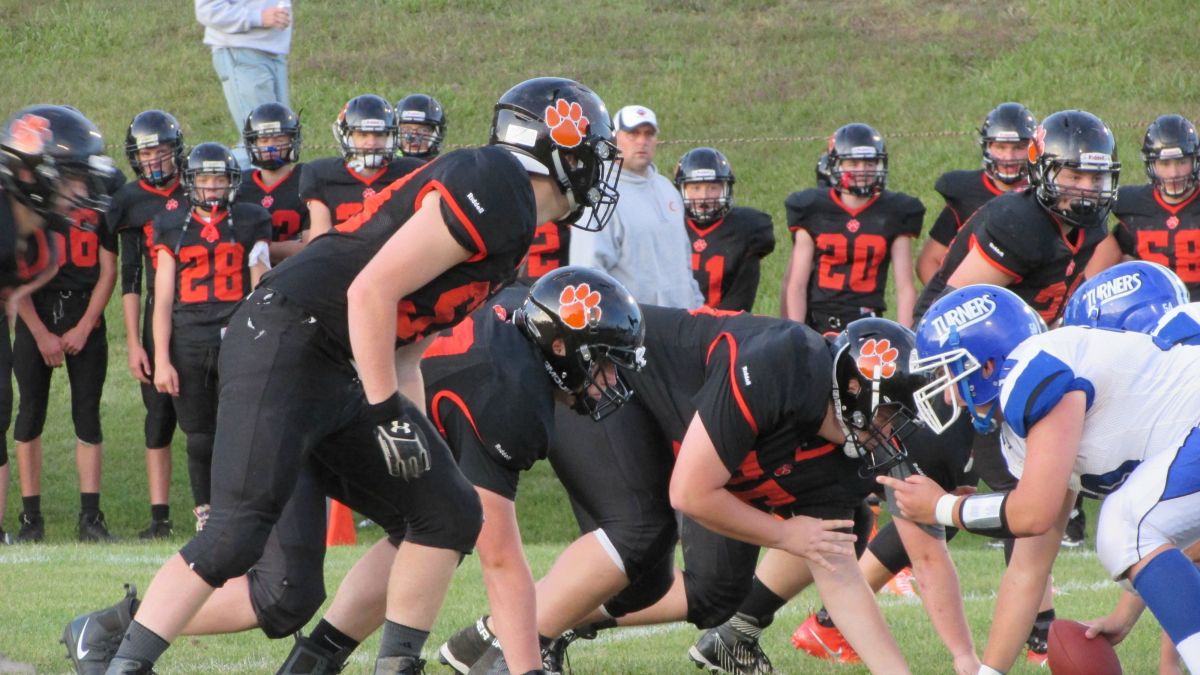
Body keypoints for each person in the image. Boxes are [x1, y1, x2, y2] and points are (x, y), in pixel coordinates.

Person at [68, 76, 620, 675]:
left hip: (334, 360)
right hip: (288, 334)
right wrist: (386, 413)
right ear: (560, 146)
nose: (600, 168)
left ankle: (395, 666)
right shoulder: (499, 184)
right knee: (235, 534)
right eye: (595, 152)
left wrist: (412, 428)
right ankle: (123, 663)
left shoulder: (513, 220)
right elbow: (369, 292)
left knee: (448, 510)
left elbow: (407, 346)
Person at [441, 314, 927, 675]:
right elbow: (691, 492)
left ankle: (492, 633)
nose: (890, 433)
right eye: (889, 414)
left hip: (703, 455)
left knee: (713, 594)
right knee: (639, 531)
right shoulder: (785, 364)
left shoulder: (844, 458)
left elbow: (841, 577)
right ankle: (510, 653)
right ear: (854, 388)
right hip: (617, 383)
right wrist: (787, 536)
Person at [270, 268, 645, 675]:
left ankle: (313, 662)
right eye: (604, 363)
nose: (612, 379)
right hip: (334, 410)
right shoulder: (514, 398)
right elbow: (500, 559)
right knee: (444, 524)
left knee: (428, 522)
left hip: (322, 393)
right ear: (561, 347)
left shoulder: (515, 313)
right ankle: (389, 667)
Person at [884, 281, 1200, 674]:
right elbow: (1027, 569)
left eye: (949, 370)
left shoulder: (1033, 370)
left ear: (986, 366)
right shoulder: (1023, 429)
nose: (949, 395)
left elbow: (1033, 513)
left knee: (1124, 526)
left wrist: (942, 507)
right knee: (1132, 525)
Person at [0, 105, 114, 544]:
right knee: (26, 415)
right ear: (36, 175)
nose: (82, 190)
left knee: (79, 415)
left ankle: (87, 518)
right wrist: (36, 327)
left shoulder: (39, 235)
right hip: (37, 319)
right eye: (72, 178)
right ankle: (29, 519)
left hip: (74, 313)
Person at [152, 142, 272, 531]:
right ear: (191, 182)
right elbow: (163, 299)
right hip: (188, 339)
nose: (212, 186)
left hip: (237, 336)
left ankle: (241, 510)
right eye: (204, 178)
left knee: (243, 429)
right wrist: (162, 360)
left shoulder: (251, 219)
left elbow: (260, 286)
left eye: (219, 178)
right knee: (200, 436)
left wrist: (260, 342)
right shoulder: (171, 224)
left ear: (232, 181)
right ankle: (207, 515)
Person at [109, 109, 187, 539]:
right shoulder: (130, 200)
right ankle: (160, 517)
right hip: (156, 313)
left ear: (176, 151)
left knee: (205, 419)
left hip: (199, 310)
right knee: (157, 420)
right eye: (146, 153)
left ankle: (214, 509)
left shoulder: (197, 185)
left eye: (161, 150)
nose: (154, 159)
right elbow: (131, 275)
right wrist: (134, 344)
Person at [782, 122, 924, 332]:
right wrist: (798, 333)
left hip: (867, 321)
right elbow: (796, 285)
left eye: (869, 163)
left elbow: (905, 288)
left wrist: (906, 336)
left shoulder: (895, 211)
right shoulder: (813, 208)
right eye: (853, 163)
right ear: (836, 165)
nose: (862, 170)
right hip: (818, 322)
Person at [570, 104, 703, 308]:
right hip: (637, 320)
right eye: (633, 133)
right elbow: (588, 272)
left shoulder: (668, 189)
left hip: (684, 318)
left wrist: (698, 307)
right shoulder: (600, 195)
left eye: (649, 134)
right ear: (614, 138)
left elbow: (685, 262)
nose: (642, 141)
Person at [916, 102, 1036, 284]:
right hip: (974, 294)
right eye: (1000, 147)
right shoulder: (965, 192)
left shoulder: (1043, 194)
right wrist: (949, 298)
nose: (1009, 157)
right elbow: (929, 260)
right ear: (987, 147)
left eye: (1018, 147)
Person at [1086, 114, 1200, 300]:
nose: (1174, 173)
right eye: (1164, 163)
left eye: (1181, 162)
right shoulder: (1130, 204)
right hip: (1153, 306)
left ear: (1194, 161)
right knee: (1103, 240)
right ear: (1151, 165)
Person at [300, 94, 421, 241]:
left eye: (379, 134)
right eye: (363, 134)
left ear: (391, 137)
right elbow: (319, 241)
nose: (372, 142)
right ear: (347, 137)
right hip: (339, 254)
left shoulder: (411, 172)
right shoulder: (321, 174)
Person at [674, 147, 775, 312]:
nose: (704, 197)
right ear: (682, 189)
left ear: (726, 188)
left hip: (729, 322)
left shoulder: (747, 227)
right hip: (682, 322)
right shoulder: (672, 226)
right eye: (695, 188)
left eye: (713, 187)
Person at [194, 0, 292, 155]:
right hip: (241, 52)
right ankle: (209, 170)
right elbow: (207, 9)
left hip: (275, 50)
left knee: (282, 143)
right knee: (261, 145)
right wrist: (257, 17)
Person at [237, 101, 307, 262]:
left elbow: (312, 247)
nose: (271, 147)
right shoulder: (240, 185)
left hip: (295, 270)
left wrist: (255, 248)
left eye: (279, 139)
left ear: (292, 140)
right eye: (264, 140)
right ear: (253, 143)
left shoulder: (307, 179)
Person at [394, 93, 446, 160]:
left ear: (435, 134)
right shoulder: (387, 165)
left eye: (423, 130)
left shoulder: (444, 165)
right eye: (406, 130)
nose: (413, 137)